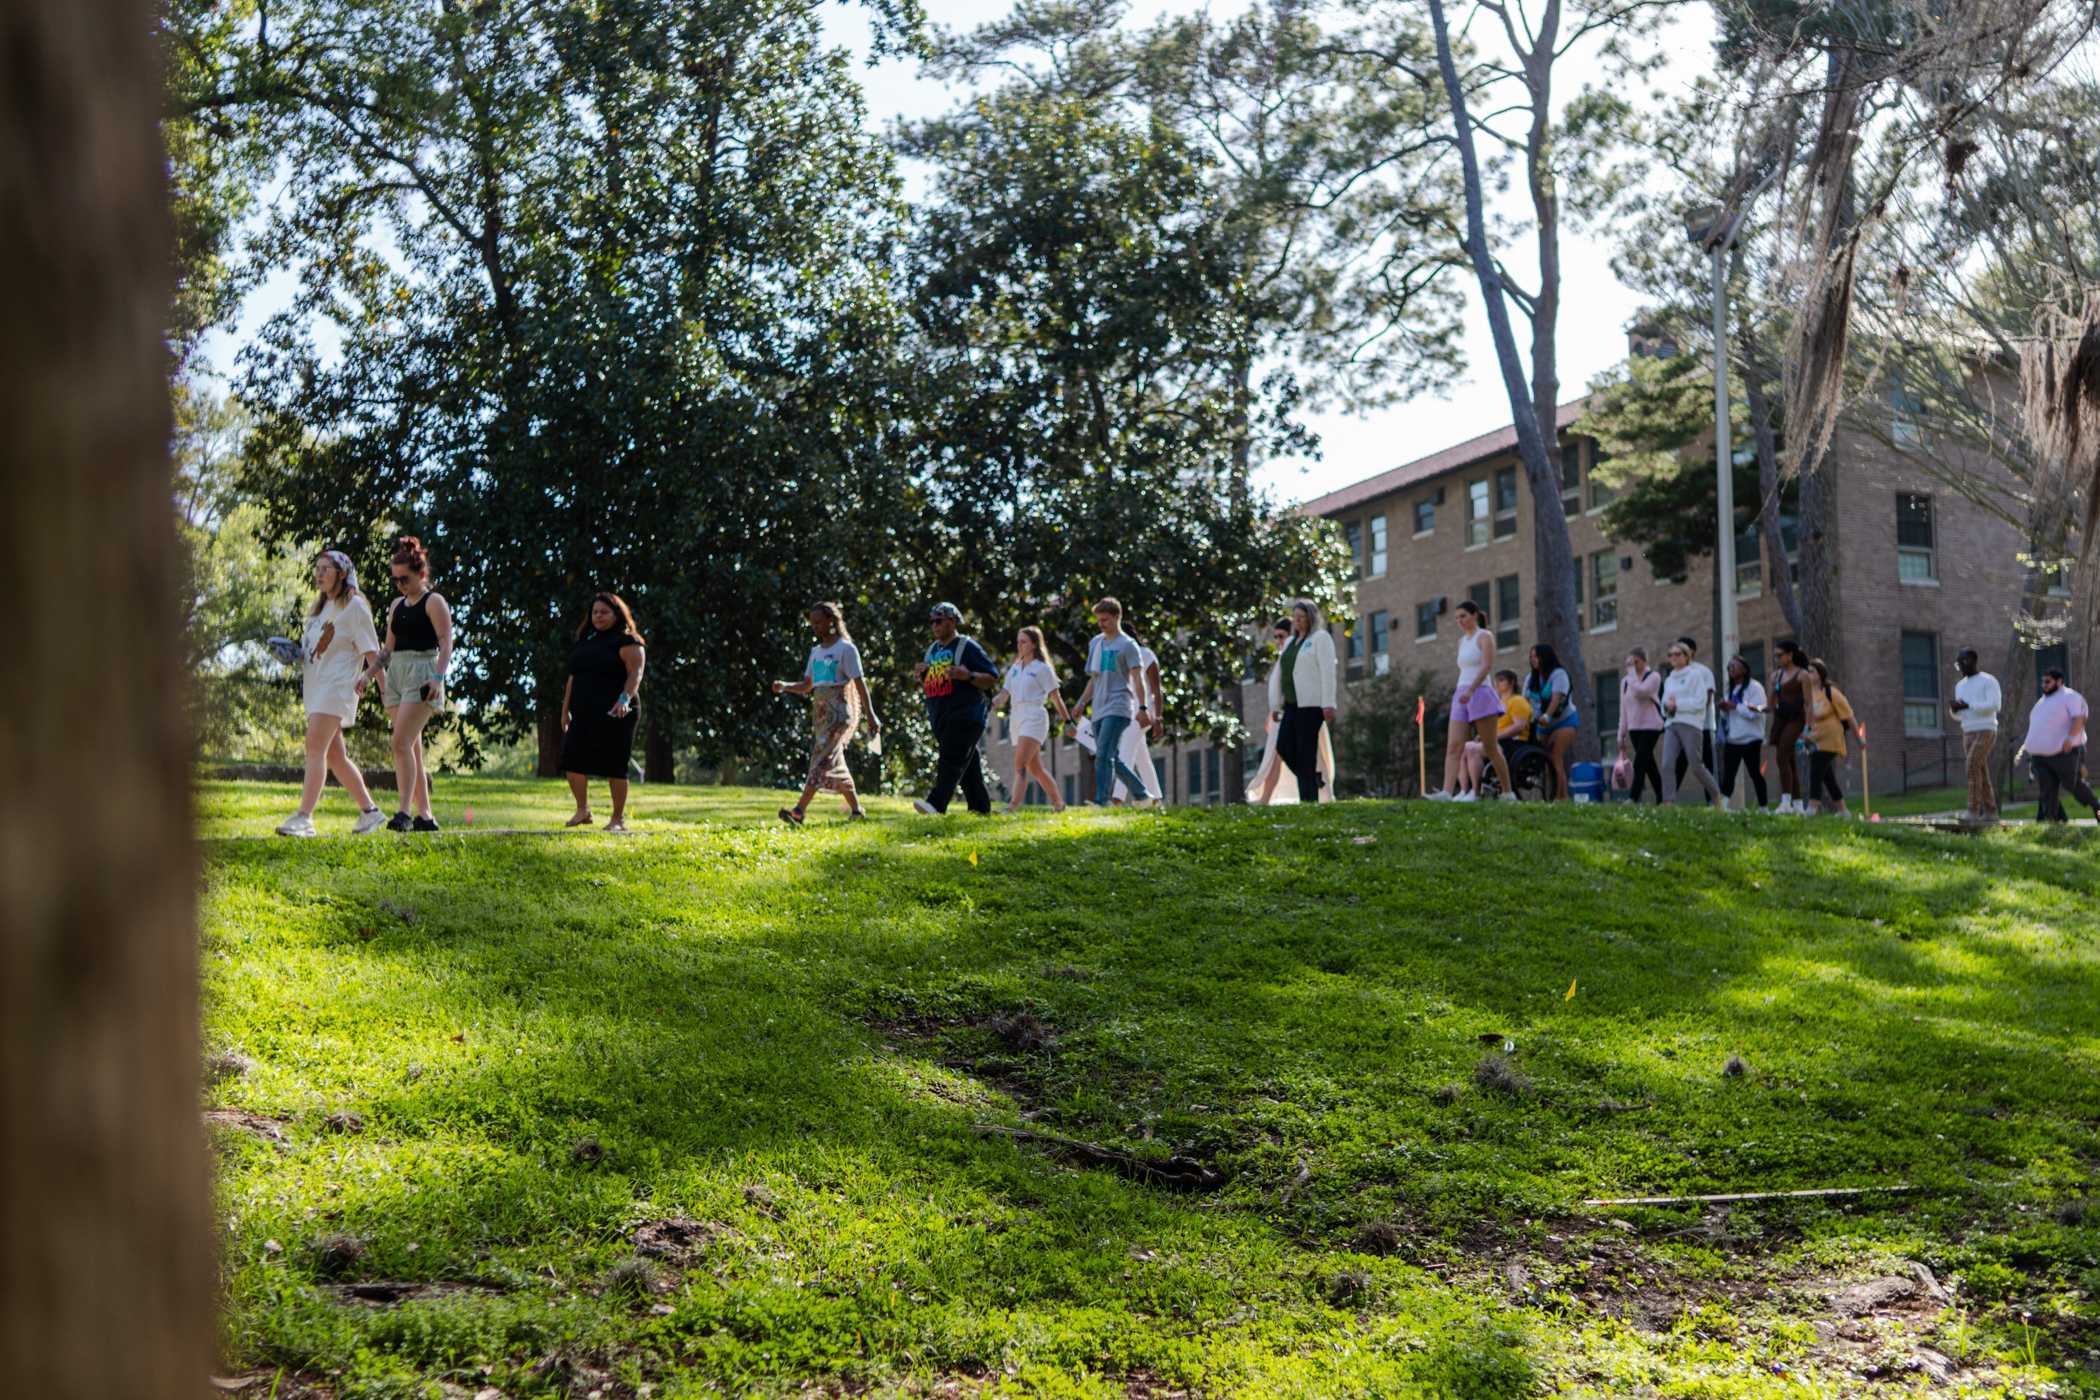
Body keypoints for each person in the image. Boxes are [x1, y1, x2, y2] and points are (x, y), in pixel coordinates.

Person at [277, 550, 389, 837]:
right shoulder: (320, 610)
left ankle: (304, 818)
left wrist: (387, 693)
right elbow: (316, 652)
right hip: (316, 687)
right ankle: (370, 813)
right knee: (335, 757)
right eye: (317, 568)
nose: (319, 573)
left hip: (337, 687)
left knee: (314, 747)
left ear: (342, 573)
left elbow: (372, 653)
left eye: (326, 568)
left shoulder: (355, 608)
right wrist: (294, 653)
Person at [772, 601, 879, 825]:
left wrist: (870, 714)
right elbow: (808, 685)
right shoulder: (816, 652)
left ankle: (799, 811)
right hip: (820, 714)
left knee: (821, 760)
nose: (815, 627)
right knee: (833, 761)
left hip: (839, 713)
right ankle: (857, 811)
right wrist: (785, 686)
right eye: (813, 623)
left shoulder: (846, 649)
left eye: (819, 622)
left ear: (831, 621)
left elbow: (860, 684)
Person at [377, 536, 452, 832]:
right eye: (395, 580)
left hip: (423, 673)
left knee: (400, 742)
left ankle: (403, 813)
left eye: (404, 579)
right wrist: (367, 674)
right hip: (397, 673)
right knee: (412, 749)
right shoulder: (396, 605)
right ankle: (426, 817)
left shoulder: (434, 602)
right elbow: (387, 649)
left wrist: (437, 677)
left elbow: (446, 643)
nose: (399, 585)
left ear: (421, 574)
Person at [559, 592, 646, 832]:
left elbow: (635, 673)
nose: (598, 616)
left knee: (615, 764)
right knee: (572, 759)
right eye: (595, 612)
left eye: (604, 612)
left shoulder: (628, 641)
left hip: (617, 711)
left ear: (617, 614)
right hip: (584, 712)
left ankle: (617, 820)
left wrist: (624, 699)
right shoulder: (585, 641)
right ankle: (582, 810)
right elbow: (572, 678)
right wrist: (565, 710)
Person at [1067, 597, 1156, 807]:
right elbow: (1094, 678)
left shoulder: (1128, 645)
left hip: (1119, 706)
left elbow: (1138, 679)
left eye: (1105, 619)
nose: (1101, 624)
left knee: (1104, 755)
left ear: (1117, 617)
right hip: (1099, 707)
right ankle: (1143, 796)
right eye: (1098, 620)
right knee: (1110, 756)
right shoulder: (1095, 643)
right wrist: (1081, 703)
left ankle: (1102, 801)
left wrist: (1142, 708)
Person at [914, 602, 999, 815]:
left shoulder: (967, 647)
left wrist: (968, 675)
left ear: (952, 621)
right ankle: (980, 808)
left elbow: (991, 678)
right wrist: (922, 675)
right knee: (968, 766)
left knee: (950, 761)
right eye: (932, 621)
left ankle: (936, 804)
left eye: (939, 621)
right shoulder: (932, 650)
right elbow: (932, 685)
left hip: (966, 716)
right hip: (941, 718)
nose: (935, 625)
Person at [1428, 599, 1513, 802]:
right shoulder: (1461, 641)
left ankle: (1508, 792)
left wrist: (1472, 690)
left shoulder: (1485, 636)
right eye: (1457, 618)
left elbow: (1486, 666)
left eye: (1463, 616)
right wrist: (1463, 693)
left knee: (1490, 747)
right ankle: (1446, 792)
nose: (1460, 621)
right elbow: (1464, 669)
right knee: (1454, 745)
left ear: (1474, 615)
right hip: (1461, 692)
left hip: (1481, 692)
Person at [1265, 598, 1339, 804]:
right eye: (1295, 618)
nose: (1297, 622)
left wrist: (1329, 703)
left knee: (1306, 752)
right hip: (1291, 705)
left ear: (1310, 619)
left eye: (1301, 618)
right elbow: (1282, 673)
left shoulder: (1320, 639)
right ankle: (1311, 778)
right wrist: (1275, 704)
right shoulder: (1290, 642)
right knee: (1284, 746)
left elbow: (1328, 672)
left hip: (1311, 705)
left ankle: (1309, 800)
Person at [991, 625, 1069, 812]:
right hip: (1016, 718)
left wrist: (1068, 721)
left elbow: (1055, 697)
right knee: (1036, 769)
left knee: (1020, 764)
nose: (1019, 646)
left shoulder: (1042, 669)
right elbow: (1004, 694)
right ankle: (1059, 803)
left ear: (1034, 644)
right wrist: (991, 703)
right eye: (1018, 642)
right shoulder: (1015, 668)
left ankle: (1012, 806)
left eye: (1024, 642)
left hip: (1034, 717)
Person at [2016, 668, 2099, 823]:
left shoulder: (2070, 697)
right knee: (2047, 790)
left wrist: (2070, 738)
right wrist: (2023, 749)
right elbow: (2035, 728)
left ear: (2059, 681)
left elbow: (2079, 718)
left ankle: (2097, 806)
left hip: (2065, 752)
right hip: (2040, 757)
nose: (2044, 685)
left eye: (2048, 681)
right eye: (2043, 682)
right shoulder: (2041, 702)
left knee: (2072, 785)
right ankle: (2053, 824)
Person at [1660, 638, 1724, 810]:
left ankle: (1716, 795)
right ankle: (1668, 802)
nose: (1673, 657)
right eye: (1670, 654)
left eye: (1677, 654)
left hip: (1691, 725)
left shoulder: (1695, 675)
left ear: (1687, 656)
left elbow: (1700, 702)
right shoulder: (1669, 679)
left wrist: (1677, 705)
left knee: (1696, 765)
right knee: (1667, 763)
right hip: (1671, 724)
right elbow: (1663, 705)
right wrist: (1668, 707)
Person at [1111, 636, 1166, 805]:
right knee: (1142, 757)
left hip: (1143, 712)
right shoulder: (1114, 656)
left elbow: (1156, 689)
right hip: (1125, 710)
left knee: (1125, 751)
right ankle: (1156, 798)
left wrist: (1158, 717)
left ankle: (1116, 799)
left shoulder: (1146, 655)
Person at [1949, 646, 2002, 823]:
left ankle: (1972, 810)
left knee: (1971, 765)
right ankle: (1990, 811)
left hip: (1986, 729)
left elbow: (1994, 705)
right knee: (1980, 770)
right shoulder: (1960, 686)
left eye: (1962, 663)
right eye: (1958, 665)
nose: (1961, 667)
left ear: (1972, 660)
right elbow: (1960, 715)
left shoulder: (1988, 681)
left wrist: (1968, 705)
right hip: (1968, 731)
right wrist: (1954, 709)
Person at [1523, 643, 1579, 801]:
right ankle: (1552, 794)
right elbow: (1525, 701)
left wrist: (1547, 716)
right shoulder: (1531, 678)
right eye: (1531, 657)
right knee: (1545, 760)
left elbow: (1556, 699)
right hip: (1541, 725)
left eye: (1536, 656)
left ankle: (1562, 797)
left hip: (1564, 721)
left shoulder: (1558, 674)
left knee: (1555, 756)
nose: (1533, 660)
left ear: (1545, 657)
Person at [1461, 671, 1532, 795]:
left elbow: (1519, 726)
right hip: (1497, 740)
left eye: (1501, 680)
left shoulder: (1518, 701)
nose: (1497, 683)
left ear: (1512, 682)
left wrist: (1494, 736)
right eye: (1496, 680)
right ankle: (1464, 790)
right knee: (1463, 749)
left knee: (1471, 748)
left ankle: (1475, 792)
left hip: (1513, 743)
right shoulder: (1498, 702)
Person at [1717, 655, 1770, 810]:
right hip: (1733, 739)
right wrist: (1723, 709)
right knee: (1728, 774)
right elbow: (1728, 717)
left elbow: (1756, 713)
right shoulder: (1731, 689)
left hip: (1751, 738)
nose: (1730, 669)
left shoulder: (1755, 687)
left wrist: (1734, 706)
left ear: (1745, 669)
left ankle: (1763, 808)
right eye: (1729, 667)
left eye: (1734, 666)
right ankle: (1723, 807)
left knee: (1755, 773)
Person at [1803, 659, 1855, 816]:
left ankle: (1812, 808)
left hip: (1831, 739)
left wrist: (1860, 740)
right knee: (1827, 777)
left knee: (1816, 772)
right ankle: (1843, 811)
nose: (1808, 674)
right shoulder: (1808, 694)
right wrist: (1805, 734)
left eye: (1811, 671)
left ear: (1819, 674)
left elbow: (1849, 715)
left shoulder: (1831, 692)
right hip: (1815, 739)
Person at [1616, 647, 1665, 805]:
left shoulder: (1654, 677)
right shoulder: (1625, 682)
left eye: (1635, 662)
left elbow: (1640, 692)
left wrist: (1631, 673)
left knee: (1640, 761)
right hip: (1634, 728)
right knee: (1649, 763)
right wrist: (1621, 733)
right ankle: (1662, 796)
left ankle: (1633, 797)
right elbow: (1624, 709)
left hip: (1652, 726)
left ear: (1644, 660)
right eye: (1629, 663)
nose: (1631, 665)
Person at [1767, 641, 1811, 814]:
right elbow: (1771, 702)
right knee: (1789, 761)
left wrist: (1808, 728)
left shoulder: (1802, 675)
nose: (1776, 658)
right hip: (1780, 719)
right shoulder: (1775, 676)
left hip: (1796, 719)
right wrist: (1763, 707)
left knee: (1782, 754)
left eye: (1779, 655)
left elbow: (1809, 704)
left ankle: (1785, 802)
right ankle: (1798, 805)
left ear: (1790, 655)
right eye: (1775, 655)